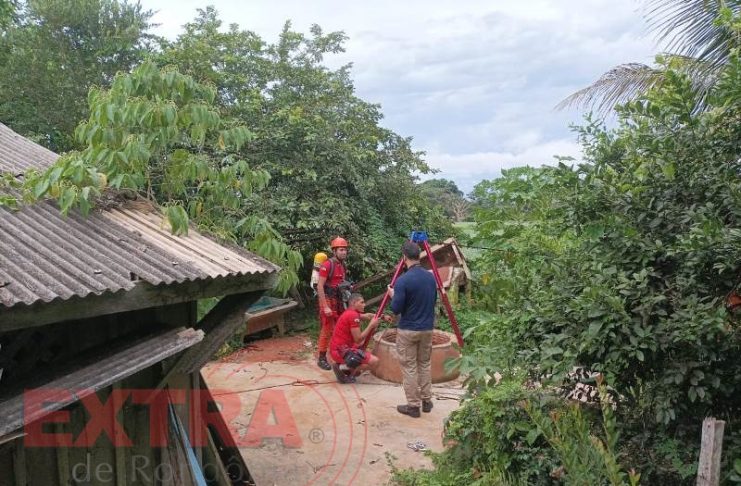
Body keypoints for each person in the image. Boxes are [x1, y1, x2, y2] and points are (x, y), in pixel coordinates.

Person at [387, 240, 437, 418]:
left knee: (409, 368)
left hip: (408, 329)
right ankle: (426, 401)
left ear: (404, 257)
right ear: (419, 256)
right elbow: (432, 301)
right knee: (424, 364)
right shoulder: (431, 278)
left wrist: (393, 295)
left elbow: (396, 308)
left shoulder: (403, 281)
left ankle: (413, 406)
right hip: (427, 329)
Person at [328, 293, 381, 383]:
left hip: (338, 349)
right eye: (362, 302)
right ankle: (342, 367)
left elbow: (368, 316)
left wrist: (382, 316)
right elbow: (358, 339)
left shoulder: (350, 312)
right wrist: (371, 325)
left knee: (358, 370)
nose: (364, 305)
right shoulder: (353, 315)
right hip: (341, 351)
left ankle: (346, 367)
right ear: (353, 303)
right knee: (375, 362)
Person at [315, 237, 350, 370]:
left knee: (340, 327)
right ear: (334, 251)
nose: (344, 252)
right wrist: (325, 306)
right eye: (341, 250)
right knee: (327, 328)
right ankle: (321, 358)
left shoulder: (342, 265)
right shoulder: (327, 265)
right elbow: (320, 286)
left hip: (339, 300)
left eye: (345, 250)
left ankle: (337, 352)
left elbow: (341, 283)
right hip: (328, 299)